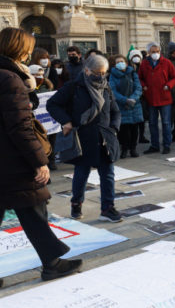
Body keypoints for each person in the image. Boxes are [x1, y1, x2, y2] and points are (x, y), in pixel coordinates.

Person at [0, 29, 81, 298]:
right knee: (31, 207)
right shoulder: (9, 79)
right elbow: (20, 127)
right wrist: (40, 161)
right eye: (28, 48)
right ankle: (52, 263)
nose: (30, 53)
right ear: (19, 50)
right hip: (9, 160)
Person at [48, 55, 122, 223]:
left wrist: (114, 128)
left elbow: (115, 110)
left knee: (108, 173)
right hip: (83, 137)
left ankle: (107, 208)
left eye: (104, 73)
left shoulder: (106, 87)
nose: (101, 76)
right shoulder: (73, 87)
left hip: (104, 137)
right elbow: (52, 104)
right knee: (81, 173)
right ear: (87, 70)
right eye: (98, 72)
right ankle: (76, 203)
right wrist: (65, 121)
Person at [138, 42, 175, 155]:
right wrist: (143, 86)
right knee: (152, 123)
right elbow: (139, 77)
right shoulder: (144, 64)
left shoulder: (166, 62)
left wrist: (169, 85)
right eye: (153, 52)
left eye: (157, 51)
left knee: (166, 123)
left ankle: (167, 145)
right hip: (151, 98)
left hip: (165, 98)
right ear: (149, 53)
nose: (155, 53)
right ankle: (154, 145)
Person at [109, 54, 143, 158]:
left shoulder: (132, 73)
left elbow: (138, 87)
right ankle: (124, 148)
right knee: (124, 130)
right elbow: (113, 91)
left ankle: (133, 148)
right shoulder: (112, 75)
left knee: (134, 129)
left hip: (134, 105)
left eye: (122, 61)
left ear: (126, 63)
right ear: (114, 65)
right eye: (118, 62)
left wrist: (133, 98)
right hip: (121, 105)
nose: (120, 64)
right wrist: (125, 100)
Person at [129, 49, 150, 144]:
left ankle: (141, 136)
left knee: (142, 118)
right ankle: (134, 137)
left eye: (138, 56)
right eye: (134, 56)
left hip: (143, 96)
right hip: (132, 96)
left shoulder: (144, 67)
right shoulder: (129, 68)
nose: (136, 58)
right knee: (133, 119)